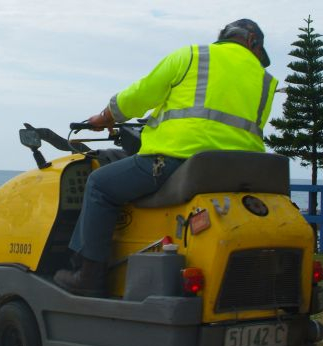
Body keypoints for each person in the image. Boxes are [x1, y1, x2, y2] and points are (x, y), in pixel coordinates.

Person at [54, 19, 278, 297]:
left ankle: (88, 275)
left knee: (99, 184)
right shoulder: (266, 81)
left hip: (174, 163)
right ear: (253, 43)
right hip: (235, 172)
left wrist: (104, 117)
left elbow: (139, 96)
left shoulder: (194, 56)